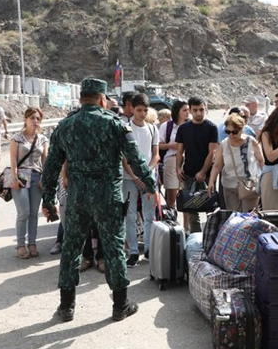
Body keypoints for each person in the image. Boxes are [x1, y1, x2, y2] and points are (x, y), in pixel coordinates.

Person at [41, 78, 157, 323]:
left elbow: (51, 166)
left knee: (71, 249)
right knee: (114, 248)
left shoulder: (65, 126)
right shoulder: (115, 124)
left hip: (77, 198)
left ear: (81, 98)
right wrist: (151, 184)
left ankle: (66, 307)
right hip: (108, 197)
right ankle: (120, 305)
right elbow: (135, 158)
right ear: (103, 99)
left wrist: (48, 199)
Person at [122, 94, 160, 267]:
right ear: (132, 109)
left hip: (148, 178)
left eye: (145, 110)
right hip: (128, 178)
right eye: (139, 110)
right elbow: (124, 157)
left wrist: (146, 173)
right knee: (129, 215)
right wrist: (135, 176)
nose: (142, 114)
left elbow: (156, 155)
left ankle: (149, 249)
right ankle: (133, 251)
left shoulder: (152, 129)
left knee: (149, 215)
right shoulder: (126, 129)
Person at [175, 96, 219, 233]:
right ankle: (195, 238)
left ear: (205, 109)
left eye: (201, 109)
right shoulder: (183, 128)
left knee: (211, 209)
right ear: (190, 110)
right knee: (192, 210)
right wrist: (178, 168)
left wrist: (203, 172)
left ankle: (210, 237)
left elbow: (212, 152)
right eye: (195, 110)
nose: (199, 113)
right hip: (188, 173)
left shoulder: (211, 127)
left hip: (208, 174)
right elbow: (180, 151)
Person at [10, 107, 49, 259]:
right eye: (32, 118)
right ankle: (20, 245)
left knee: (33, 213)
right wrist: (14, 178)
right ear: (25, 119)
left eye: (38, 118)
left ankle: (32, 243)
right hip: (21, 177)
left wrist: (44, 178)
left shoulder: (43, 139)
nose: (35, 121)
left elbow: (45, 161)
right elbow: (13, 161)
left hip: (36, 177)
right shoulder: (17, 138)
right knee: (23, 212)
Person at [208, 113, 264, 212]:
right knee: (234, 215)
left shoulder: (251, 141)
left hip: (249, 184)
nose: (231, 135)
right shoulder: (224, 144)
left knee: (249, 216)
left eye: (234, 132)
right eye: (227, 132)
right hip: (229, 185)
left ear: (242, 129)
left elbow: (261, 160)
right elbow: (217, 166)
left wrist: (263, 180)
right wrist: (211, 181)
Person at [159, 100, 188, 216]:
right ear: (177, 111)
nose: (187, 113)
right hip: (171, 159)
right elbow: (159, 145)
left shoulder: (191, 126)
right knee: (171, 193)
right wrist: (171, 146)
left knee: (187, 195)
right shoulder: (167, 126)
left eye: (188, 110)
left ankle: (186, 225)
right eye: (184, 110)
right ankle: (171, 218)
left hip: (188, 160)